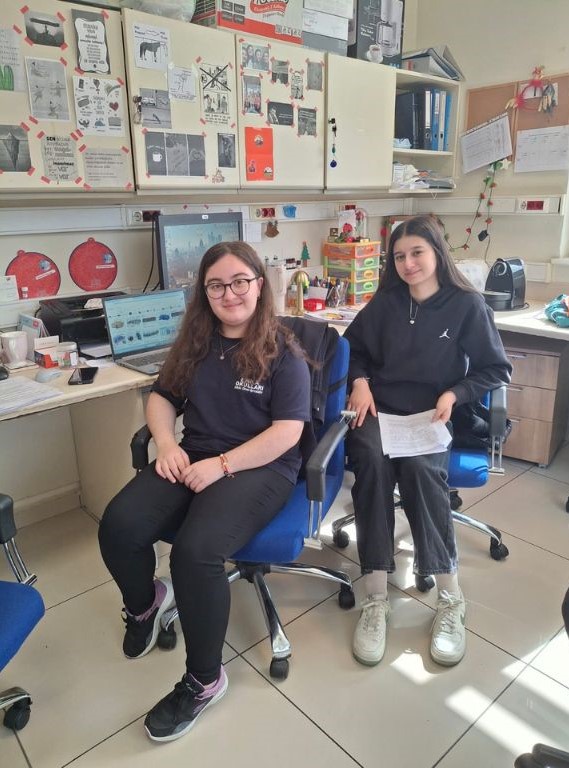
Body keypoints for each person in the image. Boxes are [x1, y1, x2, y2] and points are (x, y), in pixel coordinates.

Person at [99, 242, 311, 742]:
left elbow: (288, 432)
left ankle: (204, 680)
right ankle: (146, 604)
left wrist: (223, 465)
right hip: (195, 453)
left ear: (259, 284)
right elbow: (162, 397)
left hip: (262, 466)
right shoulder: (196, 343)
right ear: (204, 293)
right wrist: (167, 443)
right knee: (119, 524)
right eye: (216, 285)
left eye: (240, 281)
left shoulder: (284, 353)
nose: (229, 294)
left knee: (195, 553)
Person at [344, 214, 512, 668]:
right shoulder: (386, 303)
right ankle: (375, 596)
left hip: (432, 414)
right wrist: (359, 381)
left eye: (417, 252)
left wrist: (455, 393)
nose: (408, 264)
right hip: (381, 412)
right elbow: (352, 349)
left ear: (437, 251)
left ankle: (450, 597)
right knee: (371, 463)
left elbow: (496, 369)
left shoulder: (467, 306)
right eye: (399, 256)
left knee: (421, 470)